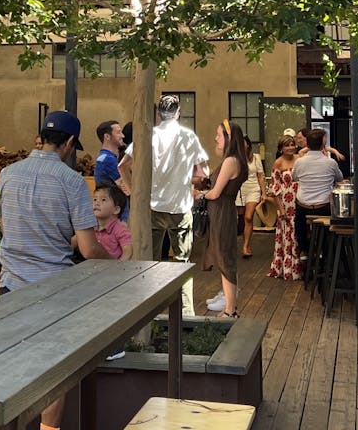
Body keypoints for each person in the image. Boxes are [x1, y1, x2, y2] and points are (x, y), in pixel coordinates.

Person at [0, 110, 111, 430]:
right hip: (54, 291)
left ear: (40, 138)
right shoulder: (73, 182)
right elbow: (89, 247)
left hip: (11, 287)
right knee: (55, 377)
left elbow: (3, 226)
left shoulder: (8, 175)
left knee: (12, 369)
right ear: (68, 144)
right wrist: (119, 263)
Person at [118, 94, 209, 316]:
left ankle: (153, 312)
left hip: (152, 205)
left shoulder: (147, 136)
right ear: (178, 113)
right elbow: (204, 171)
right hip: (180, 205)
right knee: (182, 262)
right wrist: (189, 180)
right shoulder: (189, 137)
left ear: (159, 113)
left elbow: (123, 165)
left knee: (152, 261)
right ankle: (185, 313)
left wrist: (132, 190)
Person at [197, 120, 247, 317]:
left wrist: (199, 194)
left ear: (228, 138)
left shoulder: (230, 161)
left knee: (224, 258)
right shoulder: (235, 160)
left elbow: (216, 193)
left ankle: (230, 309)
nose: (216, 138)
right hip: (223, 210)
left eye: (219, 134)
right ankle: (229, 305)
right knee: (222, 255)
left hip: (221, 211)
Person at [292, 129, 342, 257]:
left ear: (307, 144)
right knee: (330, 221)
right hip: (323, 207)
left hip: (303, 208)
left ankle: (304, 249)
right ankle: (327, 251)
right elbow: (339, 179)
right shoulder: (330, 163)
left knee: (299, 219)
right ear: (322, 145)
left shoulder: (299, 162)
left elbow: (294, 178)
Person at [267, 134, 303, 281]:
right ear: (281, 148)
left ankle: (302, 266)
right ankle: (288, 268)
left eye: (292, 144)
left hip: (301, 198)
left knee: (300, 233)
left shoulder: (300, 160)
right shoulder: (278, 163)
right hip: (286, 202)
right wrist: (280, 209)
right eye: (287, 145)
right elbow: (274, 189)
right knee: (288, 234)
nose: (290, 148)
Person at [236, 135, 266, 258]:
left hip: (253, 188)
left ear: (248, 144)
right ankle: (245, 241)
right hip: (239, 189)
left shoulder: (255, 158)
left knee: (248, 217)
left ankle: (246, 246)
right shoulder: (235, 158)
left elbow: (261, 176)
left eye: (244, 143)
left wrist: (264, 193)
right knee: (241, 218)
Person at [94, 120, 129, 220]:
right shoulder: (108, 159)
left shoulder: (104, 157)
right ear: (107, 137)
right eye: (118, 132)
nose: (122, 135)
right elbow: (126, 186)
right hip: (117, 216)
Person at [91, 183, 132, 260]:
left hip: (111, 268)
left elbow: (128, 250)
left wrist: (119, 266)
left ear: (116, 210)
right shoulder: (90, 225)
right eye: (95, 199)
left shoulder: (120, 228)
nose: (96, 203)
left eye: (103, 200)